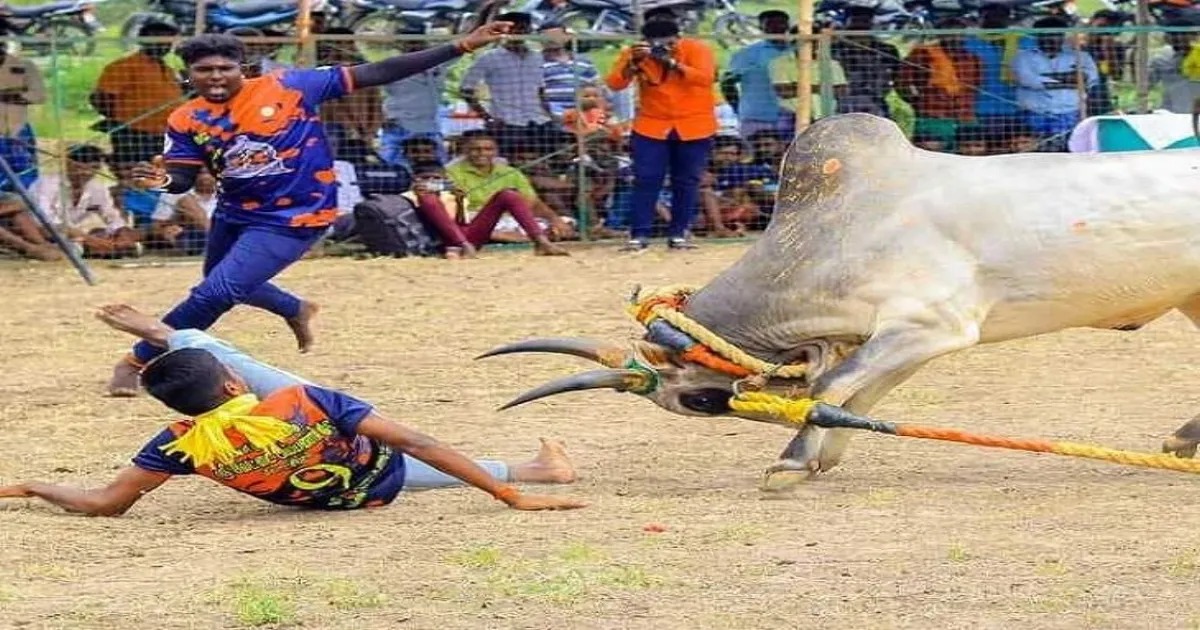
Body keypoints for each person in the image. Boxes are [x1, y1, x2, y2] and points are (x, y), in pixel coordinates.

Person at [106, 22, 518, 397]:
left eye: (223, 68)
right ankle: (294, 307)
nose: (215, 77)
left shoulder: (292, 86)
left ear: (242, 68)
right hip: (235, 211)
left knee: (216, 292)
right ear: (189, 74)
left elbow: (380, 71)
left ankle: (137, 360)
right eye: (204, 70)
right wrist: (160, 181)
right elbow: (180, 176)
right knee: (219, 281)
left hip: (296, 216)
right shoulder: (185, 118)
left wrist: (461, 45)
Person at [0, 305, 587, 516]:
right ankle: (176, 337)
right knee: (333, 420)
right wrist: (505, 498)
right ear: (232, 385)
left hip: (320, 498)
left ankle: (537, 470)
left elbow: (106, 504)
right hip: (378, 482)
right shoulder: (302, 402)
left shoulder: (177, 441)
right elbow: (417, 442)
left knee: (333, 436)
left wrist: (32, 486)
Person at [605, 7, 717, 252]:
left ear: (677, 38)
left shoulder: (696, 49)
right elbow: (615, 83)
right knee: (646, 178)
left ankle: (679, 234)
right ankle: (638, 236)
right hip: (651, 126)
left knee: (687, 181)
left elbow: (705, 79)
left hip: (694, 126)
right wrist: (633, 64)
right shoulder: (635, 52)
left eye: (667, 42)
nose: (661, 46)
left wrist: (673, 63)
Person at [442, 130, 572, 254]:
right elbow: (455, 209)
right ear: (466, 151)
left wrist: (555, 219)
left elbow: (533, 202)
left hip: (510, 218)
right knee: (506, 198)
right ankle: (530, 237)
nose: (482, 153)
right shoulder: (452, 173)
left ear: (496, 152)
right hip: (475, 217)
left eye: (488, 149)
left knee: (566, 222)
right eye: (476, 149)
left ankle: (533, 238)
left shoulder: (510, 172)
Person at [408, 161, 566, 258]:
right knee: (428, 199)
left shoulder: (449, 193)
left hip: (468, 236)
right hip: (440, 242)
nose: (430, 182)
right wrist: (421, 194)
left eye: (436, 179)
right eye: (425, 179)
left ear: (444, 179)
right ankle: (463, 245)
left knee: (508, 194)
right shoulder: (409, 196)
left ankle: (541, 242)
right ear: (415, 180)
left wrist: (458, 198)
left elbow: (463, 221)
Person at [91, 21, 185, 169]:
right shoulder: (125, 65)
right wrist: (121, 121)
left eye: (168, 42)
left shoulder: (167, 69)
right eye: (158, 41)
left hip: (163, 135)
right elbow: (100, 97)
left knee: (158, 177)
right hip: (134, 135)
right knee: (134, 176)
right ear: (143, 40)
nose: (164, 46)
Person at [460, 12, 555, 156]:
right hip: (507, 123)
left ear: (529, 31)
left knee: (544, 162)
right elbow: (466, 89)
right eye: (515, 29)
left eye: (523, 29)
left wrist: (550, 115)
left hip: (539, 121)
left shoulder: (537, 57)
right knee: (510, 164)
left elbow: (540, 90)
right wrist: (487, 117)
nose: (519, 33)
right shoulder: (489, 58)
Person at [33, 144, 142, 259]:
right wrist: (89, 239)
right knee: (76, 247)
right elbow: (46, 222)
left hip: (79, 235)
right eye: (80, 168)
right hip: (43, 233)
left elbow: (112, 216)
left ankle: (105, 248)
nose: (87, 173)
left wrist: (121, 232)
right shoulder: (47, 185)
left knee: (125, 242)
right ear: (68, 164)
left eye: (94, 168)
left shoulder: (97, 188)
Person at [894, 18, 983, 151]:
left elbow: (977, 86)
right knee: (931, 157)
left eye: (958, 33)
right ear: (940, 34)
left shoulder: (972, 58)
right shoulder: (923, 53)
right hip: (933, 116)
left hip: (965, 117)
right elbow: (902, 83)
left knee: (967, 156)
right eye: (949, 33)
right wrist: (918, 103)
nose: (954, 37)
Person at [1012, 17, 1098, 152]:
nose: (1049, 39)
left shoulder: (1080, 55)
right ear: (1037, 36)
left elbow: (1089, 78)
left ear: (1062, 35)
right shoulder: (1023, 56)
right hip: (1034, 113)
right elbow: (1028, 81)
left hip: (1069, 113)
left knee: (1069, 151)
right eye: (1045, 35)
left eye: (1055, 35)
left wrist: (1046, 78)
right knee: (1034, 153)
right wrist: (1070, 81)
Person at [379, 25, 453, 168]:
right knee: (390, 166)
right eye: (409, 42)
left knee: (440, 167)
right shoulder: (390, 66)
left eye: (418, 41)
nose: (414, 46)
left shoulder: (438, 62)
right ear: (400, 45)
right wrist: (380, 117)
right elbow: (373, 92)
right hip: (399, 124)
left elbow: (464, 44)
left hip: (430, 126)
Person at [721, 10, 796, 139]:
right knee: (754, 156)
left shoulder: (799, 51)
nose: (776, 28)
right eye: (770, 24)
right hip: (756, 116)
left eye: (780, 24)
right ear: (761, 27)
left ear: (787, 26)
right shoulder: (746, 54)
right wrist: (736, 106)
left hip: (793, 117)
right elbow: (727, 82)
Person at [0, 43, 44, 198]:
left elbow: (39, 95)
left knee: (26, 174)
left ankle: (27, 209)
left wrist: (11, 96)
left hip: (18, 130)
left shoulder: (25, 66)